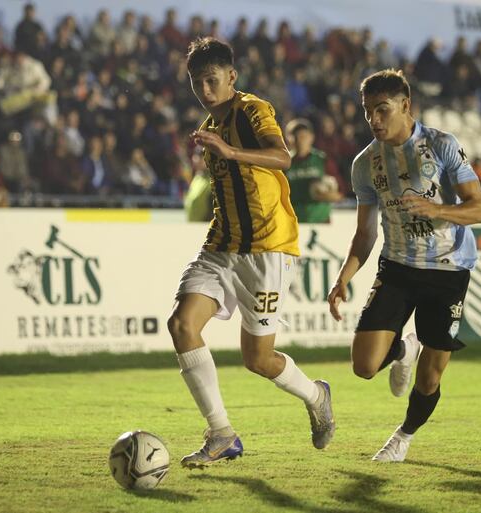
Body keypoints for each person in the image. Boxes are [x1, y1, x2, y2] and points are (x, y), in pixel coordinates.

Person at [168, 37, 335, 468]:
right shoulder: (210, 127)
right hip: (222, 244)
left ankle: (316, 395)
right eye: (196, 82)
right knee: (182, 324)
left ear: (231, 78)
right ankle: (222, 433)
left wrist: (229, 151)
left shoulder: (253, 110)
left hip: (267, 247)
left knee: (257, 360)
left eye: (212, 80)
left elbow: (283, 157)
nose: (205, 90)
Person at [327, 69, 481, 462]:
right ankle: (402, 349)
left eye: (382, 110)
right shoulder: (365, 164)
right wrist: (344, 277)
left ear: (405, 106)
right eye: (368, 113)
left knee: (430, 376)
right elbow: (365, 233)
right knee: (364, 366)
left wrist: (436, 209)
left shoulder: (442, 146)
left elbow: (478, 208)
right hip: (397, 265)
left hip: (448, 270)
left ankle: (404, 436)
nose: (374, 121)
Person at [285, 118, 343, 223]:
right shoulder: (284, 163)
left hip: (321, 222)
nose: (300, 140)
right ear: (289, 139)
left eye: (303, 136)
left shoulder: (323, 160)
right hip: (294, 223)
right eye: (296, 137)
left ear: (312, 137)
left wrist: (327, 195)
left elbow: (340, 192)